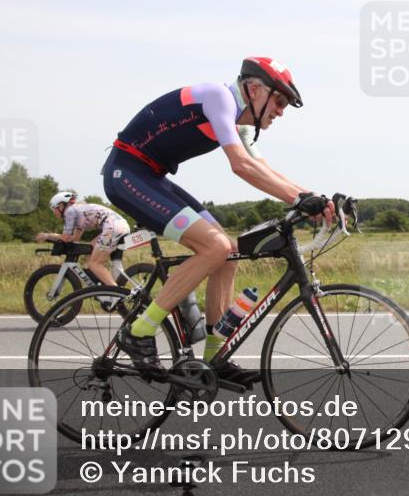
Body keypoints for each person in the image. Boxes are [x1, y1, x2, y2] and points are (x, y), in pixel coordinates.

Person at [102, 57, 333, 384]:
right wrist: (297, 200)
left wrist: (317, 198)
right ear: (254, 89)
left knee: (228, 253)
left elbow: (265, 170)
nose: (281, 110)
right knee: (214, 246)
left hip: (152, 177)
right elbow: (240, 165)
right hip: (127, 173)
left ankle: (215, 355)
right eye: (278, 100)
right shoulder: (219, 98)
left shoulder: (235, 120)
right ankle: (140, 331)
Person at [35, 192, 131, 286]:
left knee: (94, 264)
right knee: (90, 248)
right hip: (120, 225)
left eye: (53, 209)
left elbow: (65, 237)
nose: (54, 212)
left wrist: (47, 236)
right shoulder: (78, 211)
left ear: (60, 205)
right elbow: (74, 238)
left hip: (112, 227)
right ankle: (99, 283)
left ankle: (116, 295)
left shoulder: (70, 211)